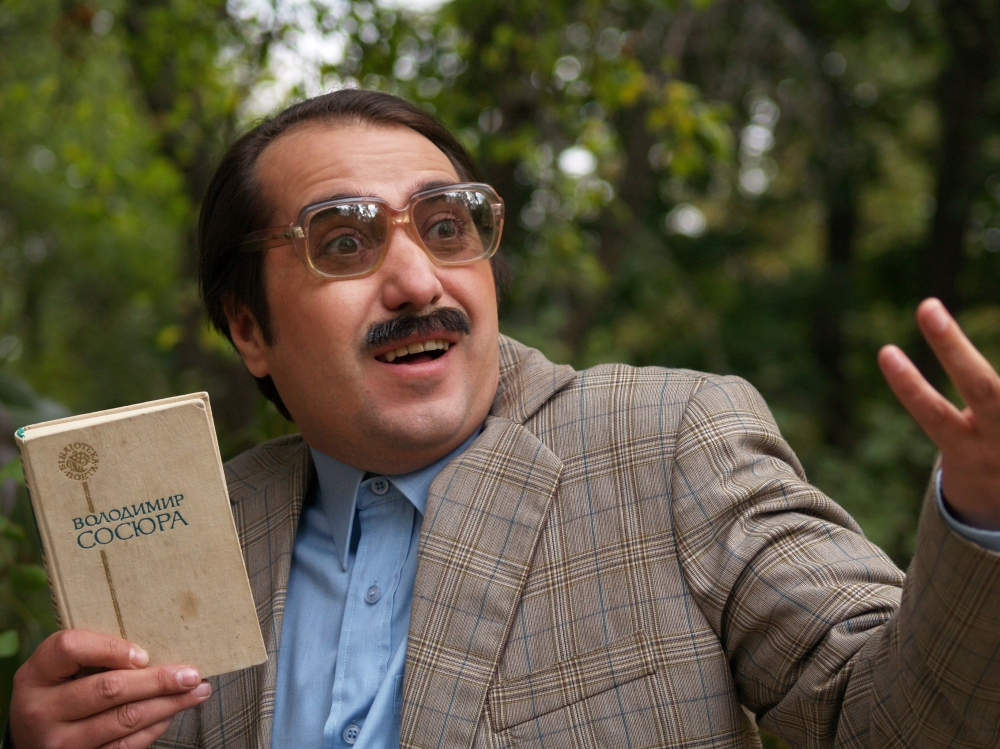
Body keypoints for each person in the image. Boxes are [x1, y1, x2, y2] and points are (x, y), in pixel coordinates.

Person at [7, 89, 1000, 749]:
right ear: (248, 328)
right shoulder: (183, 531)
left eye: (447, 227)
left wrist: (984, 518)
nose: (416, 280)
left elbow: (899, 721)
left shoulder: (671, 441)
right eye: (344, 242)